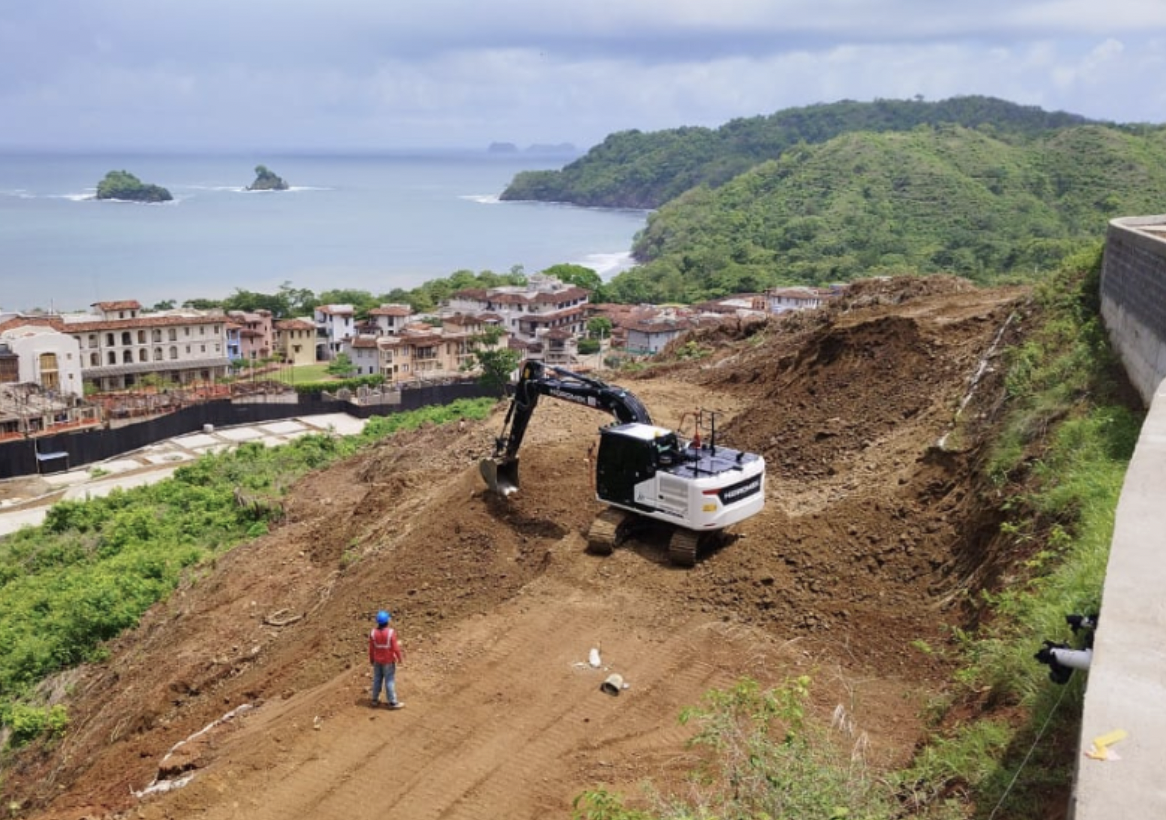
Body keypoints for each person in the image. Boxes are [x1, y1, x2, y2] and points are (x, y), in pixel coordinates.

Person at [369, 610, 405, 709]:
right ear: (387, 621)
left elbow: (371, 648)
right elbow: (395, 647)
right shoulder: (390, 632)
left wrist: (371, 659)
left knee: (377, 679)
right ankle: (392, 702)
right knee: (389, 680)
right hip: (388, 661)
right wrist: (399, 657)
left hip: (377, 661)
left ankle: (374, 700)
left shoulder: (373, 633)